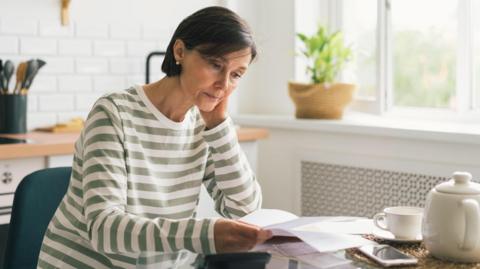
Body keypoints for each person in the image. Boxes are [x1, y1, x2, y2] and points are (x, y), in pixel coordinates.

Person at [38, 6, 271, 269]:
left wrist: (219, 126)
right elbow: (104, 230)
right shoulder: (114, 113)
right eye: (216, 65)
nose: (224, 85)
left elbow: (247, 212)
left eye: (236, 75)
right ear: (180, 51)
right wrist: (205, 234)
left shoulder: (203, 126)